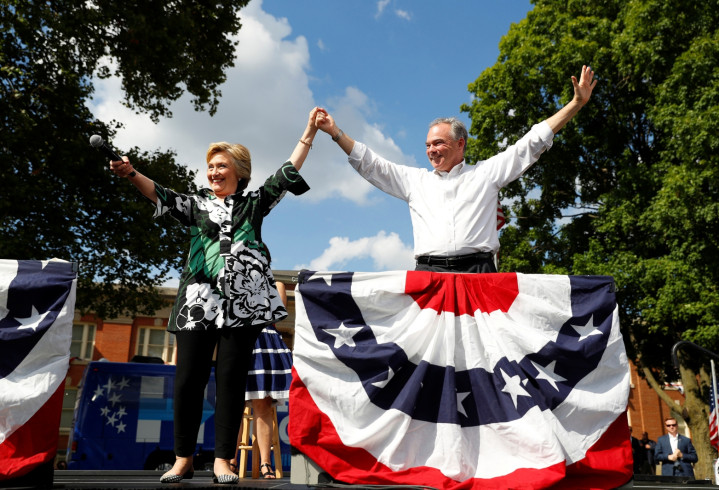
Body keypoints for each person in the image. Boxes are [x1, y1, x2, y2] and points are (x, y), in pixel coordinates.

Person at [109, 107, 324, 484]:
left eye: (222, 166)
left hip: (241, 304)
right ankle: (183, 460)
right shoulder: (195, 205)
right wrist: (131, 173)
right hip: (197, 302)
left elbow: (287, 171)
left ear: (240, 172)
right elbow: (158, 192)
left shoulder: (254, 204)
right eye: (210, 167)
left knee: (231, 380)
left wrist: (309, 133)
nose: (214, 173)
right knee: (188, 379)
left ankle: (222, 461)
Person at [315, 66, 597, 273]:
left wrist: (575, 104)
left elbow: (531, 143)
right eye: (427, 145)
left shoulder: (486, 174)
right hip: (428, 275)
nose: (431, 150)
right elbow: (371, 165)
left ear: (460, 144)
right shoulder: (415, 181)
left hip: (479, 273)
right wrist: (335, 132)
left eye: (438, 143)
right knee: (428, 354)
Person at [230, 281, 292, 479]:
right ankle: (229, 460)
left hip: (265, 339)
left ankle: (266, 463)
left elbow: (278, 312)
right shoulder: (234, 280)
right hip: (239, 338)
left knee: (263, 404)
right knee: (233, 404)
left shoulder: (276, 284)